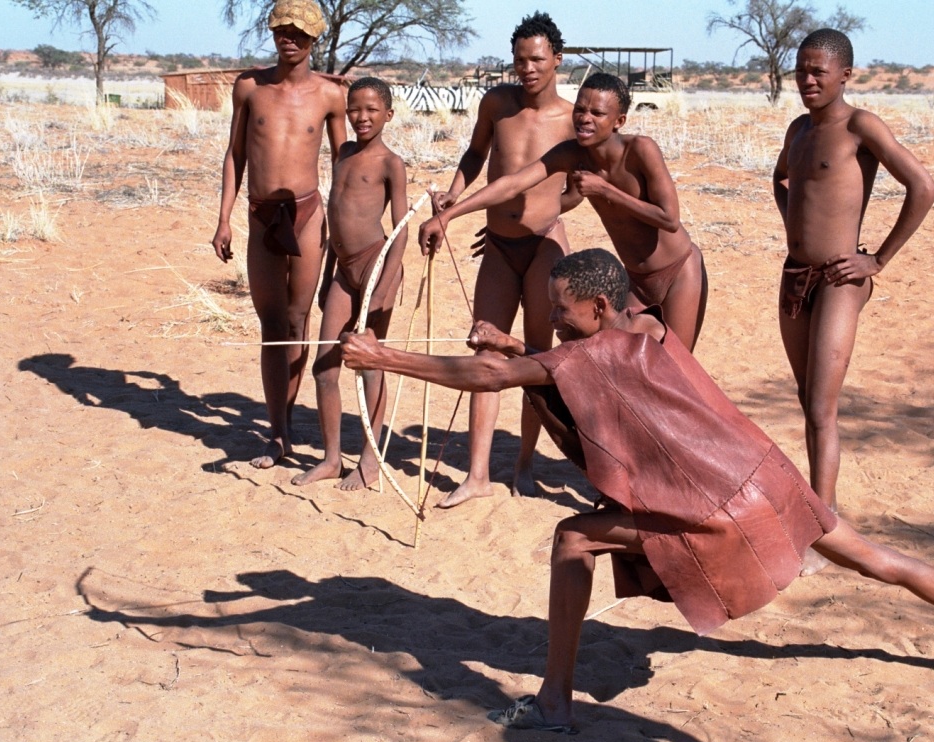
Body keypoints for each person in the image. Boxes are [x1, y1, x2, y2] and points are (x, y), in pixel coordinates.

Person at [340, 249, 934, 734]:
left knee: (572, 536)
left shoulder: (581, 352)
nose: (552, 319)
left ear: (598, 305)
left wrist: (381, 357)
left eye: (561, 310)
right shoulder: (646, 327)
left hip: (712, 509)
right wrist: (519, 346)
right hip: (763, 475)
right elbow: (575, 365)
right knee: (874, 557)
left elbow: (494, 379)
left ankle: (553, 701)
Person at [772, 29, 934, 572]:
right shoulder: (798, 129)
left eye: (819, 70)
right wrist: (793, 226)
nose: (808, 80)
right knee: (805, 397)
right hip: (795, 275)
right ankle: (824, 511)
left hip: (843, 279)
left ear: (846, 74)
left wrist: (877, 260)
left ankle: (824, 527)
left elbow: (924, 186)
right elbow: (780, 179)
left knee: (822, 405)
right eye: (801, 70)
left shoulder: (860, 126)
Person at [419, 72, 709, 352]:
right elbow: (512, 184)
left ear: (619, 121)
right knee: (617, 361)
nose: (585, 118)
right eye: (580, 109)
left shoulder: (641, 149)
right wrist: (450, 215)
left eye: (597, 113)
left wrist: (606, 190)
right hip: (634, 279)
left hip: (678, 272)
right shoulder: (571, 153)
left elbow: (669, 219)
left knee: (674, 368)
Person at [429, 12, 576, 508]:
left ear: (557, 58)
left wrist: (551, 215)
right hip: (497, 244)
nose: (528, 69)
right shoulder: (496, 102)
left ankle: (526, 461)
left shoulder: (575, 119)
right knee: (483, 348)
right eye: (520, 60)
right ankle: (475, 474)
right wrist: (453, 196)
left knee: (533, 354)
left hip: (544, 247)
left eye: (537, 59)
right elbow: (475, 155)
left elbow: (577, 188)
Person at [211, 0, 347, 469]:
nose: (289, 39)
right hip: (260, 215)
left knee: (298, 320)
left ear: (314, 40)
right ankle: (278, 432)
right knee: (271, 328)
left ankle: (285, 415)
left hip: (309, 215)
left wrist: (348, 225)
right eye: (281, 31)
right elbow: (235, 155)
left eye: (299, 34)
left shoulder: (330, 96)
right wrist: (224, 217)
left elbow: (344, 163)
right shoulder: (249, 87)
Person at [291, 77, 407, 490]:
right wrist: (327, 278)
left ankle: (370, 461)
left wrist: (382, 286)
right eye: (355, 109)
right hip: (342, 271)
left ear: (388, 115)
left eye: (372, 110)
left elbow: (402, 232)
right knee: (325, 367)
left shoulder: (391, 163)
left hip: (377, 269)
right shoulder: (341, 153)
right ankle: (331, 458)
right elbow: (334, 221)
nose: (362, 117)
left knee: (370, 366)